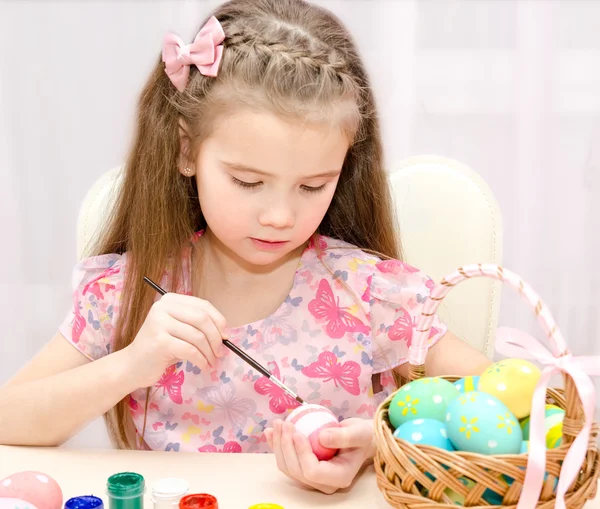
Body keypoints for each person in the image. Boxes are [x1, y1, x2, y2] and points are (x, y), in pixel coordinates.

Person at [0, 0, 491, 494]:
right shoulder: (125, 295)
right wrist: (131, 364)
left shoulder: (371, 294)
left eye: (313, 186)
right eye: (248, 181)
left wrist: (381, 445)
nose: (279, 216)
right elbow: (8, 421)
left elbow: (522, 406)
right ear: (187, 150)